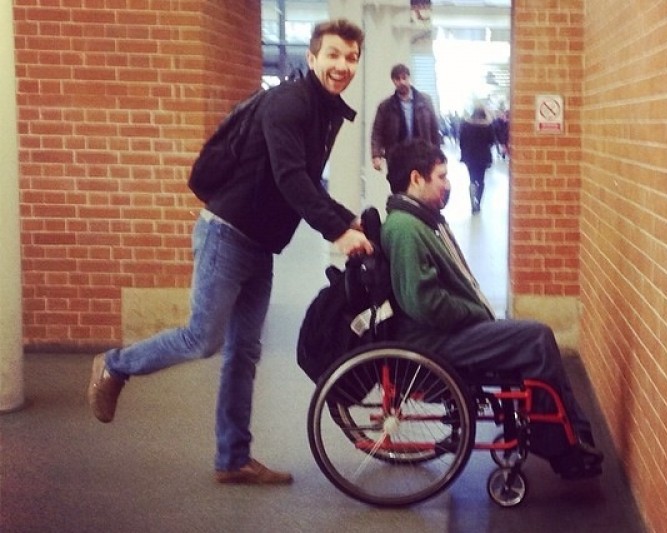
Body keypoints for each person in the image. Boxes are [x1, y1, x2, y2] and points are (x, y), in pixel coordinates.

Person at [87, 19, 373, 486]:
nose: (343, 65)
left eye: (352, 57)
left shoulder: (324, 111)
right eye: (334, 55)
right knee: (203, 338)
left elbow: (304, 179)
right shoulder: (290, 102)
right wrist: (336, 232)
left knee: (244, 351)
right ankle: (115, 364)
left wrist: (347, 219)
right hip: (227, 234)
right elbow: (289, 177)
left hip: (259, 243)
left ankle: (232, 459)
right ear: (313, 57)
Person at [380, 138, 604, 479]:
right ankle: (562, 446)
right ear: (415, 178)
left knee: (533, 338)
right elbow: (423, 303)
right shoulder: (406, 229)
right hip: (433, 339)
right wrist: (475, 313)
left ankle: (569, 434)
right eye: (441, 176)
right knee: (536, 338)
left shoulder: (418, 221)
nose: (448, 184)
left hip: (442, 331)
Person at [370, 64, 441, 172]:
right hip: (397, 158)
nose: (402, 82)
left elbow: (434, 129)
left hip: (423, 155)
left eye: (404, 78)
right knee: (399, 182)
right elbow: (377, 132)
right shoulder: (385, 107)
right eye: (397, 79)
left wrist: (437, 154)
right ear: (393, 81)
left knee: (421, 182)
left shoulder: (425, 101)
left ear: (409, 78)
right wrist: (376, 155)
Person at [459, 105, 496, 213]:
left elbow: (461, 141)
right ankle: (478, 202)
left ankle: (472, 203)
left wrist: (464, 152)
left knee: (472, 180)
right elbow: (492, 141)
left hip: (470, 157)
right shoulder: (487, 125)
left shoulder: (466, 124)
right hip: (483, 157)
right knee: (481, 181)